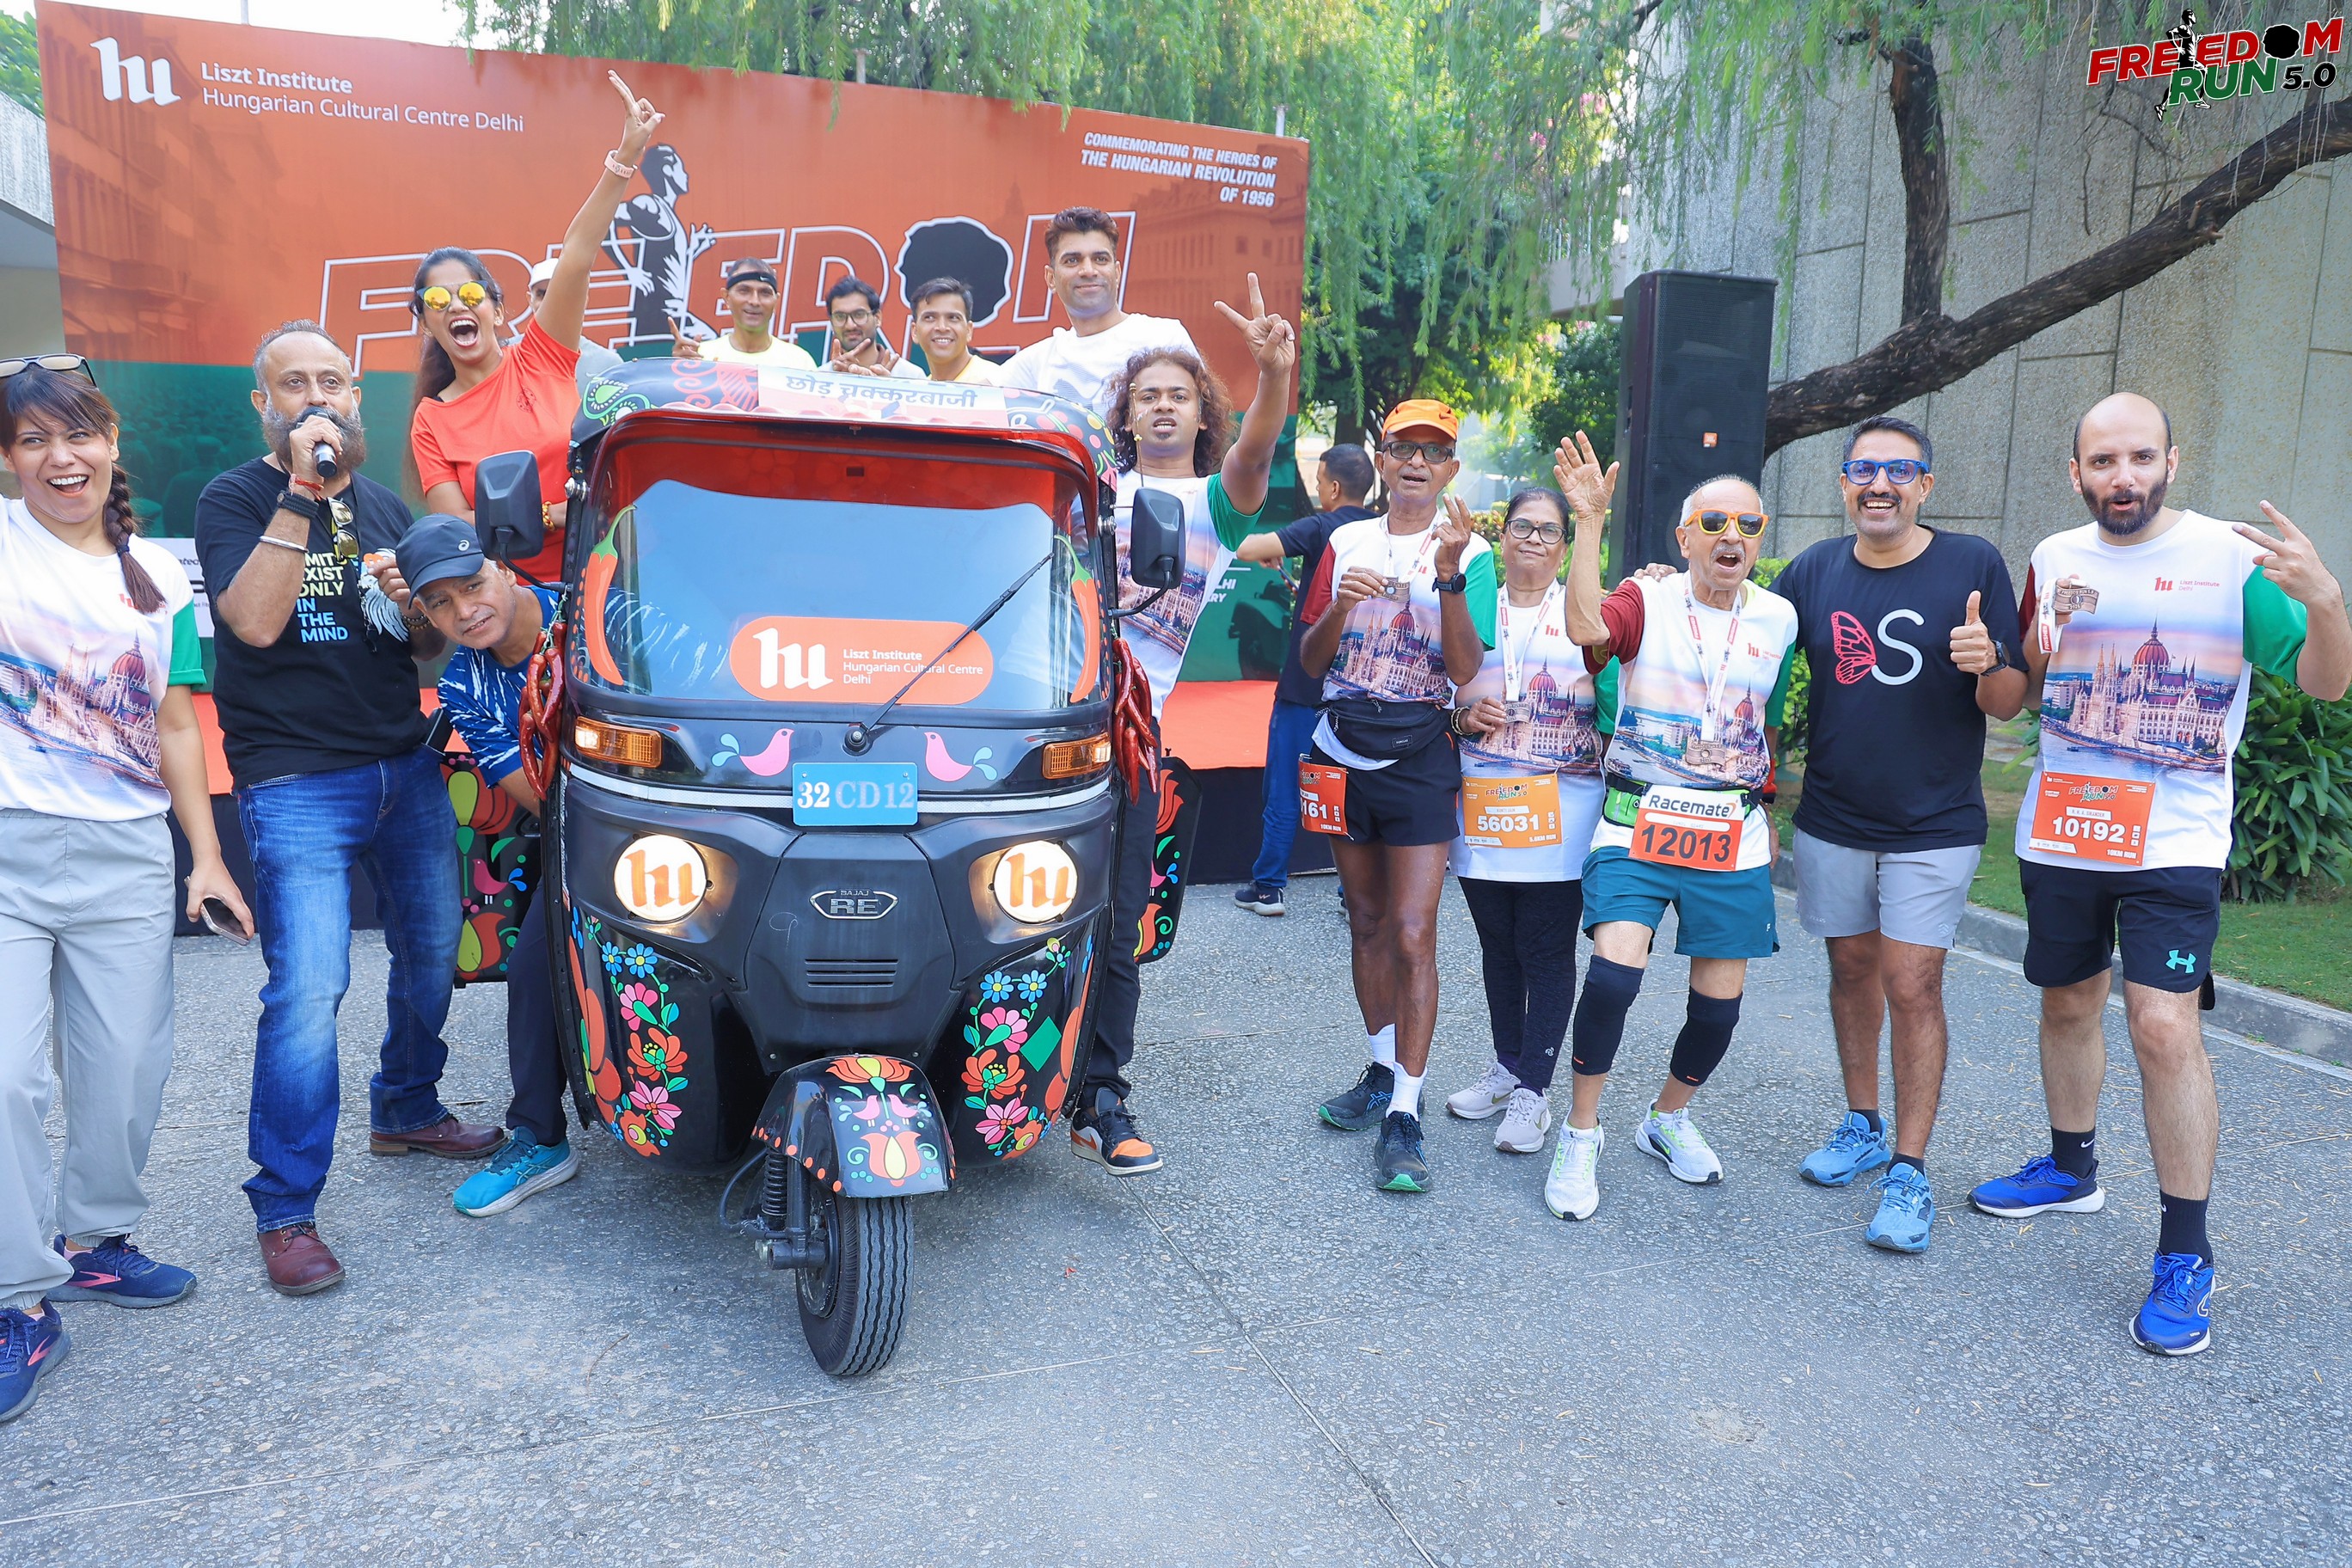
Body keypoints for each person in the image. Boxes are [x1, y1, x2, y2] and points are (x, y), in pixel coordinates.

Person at [1970, 392, 2349, 1356]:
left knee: (2163, 1026)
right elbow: (2024, 693)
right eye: (2103, 461)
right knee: (2066, 1003)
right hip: (2067, 830)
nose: (2123, 476)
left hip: (2176, 838)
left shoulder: (2231, 558)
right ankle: (2070, 1170)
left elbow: (2325, 681)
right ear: (2077, 473)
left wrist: (2325, 601)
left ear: (2170, 463)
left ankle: (2186, 1249)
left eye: (2140, 457)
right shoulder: (2054, 557)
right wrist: (1985, 666)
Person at [196, 321, 496, 1298]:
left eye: (332, 381)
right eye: (295, 384)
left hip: (401, 767)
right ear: (265, 404)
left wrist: (412, 606)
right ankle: (285, 1208)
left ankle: (406, 1105)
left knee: (434, 949)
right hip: (295, 781)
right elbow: (253, 622)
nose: (317, 397)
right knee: (310, 986)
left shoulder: (383, 506)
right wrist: (301, 492)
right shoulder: (235, 498)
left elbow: (421, 650)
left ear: (357, 394)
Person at [0, 360, 252, 1424]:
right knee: (7, 1082)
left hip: (126, 856)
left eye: (79, 435)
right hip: (8, 852)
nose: (61, 459)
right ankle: (19, 1299)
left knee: (128, 1071)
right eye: (32, 440)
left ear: (111, 443)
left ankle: (95, 1242)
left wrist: (206, 857)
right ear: (8, 458)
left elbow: (176, 722)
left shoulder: (156, 573)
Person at [1770, 415, 2026, 1253]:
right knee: (1851, 970)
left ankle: (1910, 1172)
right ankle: (1863, 1126)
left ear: (1925, 485)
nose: (1879, 484)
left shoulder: (1972, 564)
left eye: (1899, 470)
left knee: (1912, 983)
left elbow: (2008, 703)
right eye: (1863, 470)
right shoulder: (1812, 571)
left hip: (1934, 822)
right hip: (1833, 816)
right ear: (1844, 483)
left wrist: (1989, 662)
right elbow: (1744, 648)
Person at [1073, 273, 1295, 1177]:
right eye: (1147, 395)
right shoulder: (1082, 492)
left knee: (1121, 921)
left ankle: (1099, 1095)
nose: (1162, 406)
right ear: (1125, 417)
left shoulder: (1216, 503)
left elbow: (1258, 447)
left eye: (1179, 394)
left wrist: (1272, 376)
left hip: (1143, 745)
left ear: (1203, 416)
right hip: (1051, 738)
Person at [1552, 469, 1797, 1220]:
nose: (1732, 537)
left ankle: (1667, 1118)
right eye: (1714, 522)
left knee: (1718, 1012)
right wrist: (1589, 521)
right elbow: (1586, 629)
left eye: (1748, 525)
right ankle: (1581, 1131)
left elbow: (1766, 721)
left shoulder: (1779, 618)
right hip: (1638, 821)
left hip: (1730, 833)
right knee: (1613, 979)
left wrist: (1767, 805)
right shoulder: (1646, 598)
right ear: (1684, 537)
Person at [1301, 401, 1496, 1194]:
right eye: (1402, 448)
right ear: (1380, 460)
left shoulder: (1472, 550)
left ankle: (1406, 1114)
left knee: (1414, 933)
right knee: (1367, 920)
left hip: (1419, 754)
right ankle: (1381, 1070)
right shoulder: (1345, 540)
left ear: (1452, 468)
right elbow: (1309, 660)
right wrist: (1341, 606)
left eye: (1434, 451)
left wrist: (1447, 575)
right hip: (1340, 750)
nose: (1417, 462)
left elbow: (1464, 668)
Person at [392, 515, 581, 1217]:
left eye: (472, 585)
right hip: (583, 838)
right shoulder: (463, 685)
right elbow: (539, 798)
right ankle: (539, 1137)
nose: (465, 611)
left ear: (502, 567)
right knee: (535, 968)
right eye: (440, 603)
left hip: (689, 818)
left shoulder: (592, 617)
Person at [410, 72, 665, 577]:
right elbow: (456, 526)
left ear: (498, 310)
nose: (456, 306)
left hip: (600, 577)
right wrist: (551, 515)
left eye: (471, 294)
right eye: (437, 300)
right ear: (426, 323)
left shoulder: (542, 357)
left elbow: (576, 255)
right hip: (509, 598)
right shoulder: (431, 420)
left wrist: (626, 155)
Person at [1440, 460, 1620, 1170]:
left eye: (1549, 531)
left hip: (1563, 807)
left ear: (1566, 545)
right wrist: (1462, 718)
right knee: (1497, 946)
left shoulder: (1587, 608)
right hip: (1482, 803)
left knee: (1545, 950)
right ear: (1503, 536)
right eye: (1523, 527)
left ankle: (1535, 1091)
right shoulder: (1475, 604)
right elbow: (1442, 691)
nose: (1535, 541)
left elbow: (1618, 677)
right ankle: (1507, 1065)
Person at [1230, 442, 1377, 915]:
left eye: (1317, 482)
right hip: (1357, 688)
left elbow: (1247, 547)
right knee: (1351, 787)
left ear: (1332, 487)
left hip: (1304, 686)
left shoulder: (1319, 527)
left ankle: (1269, 886)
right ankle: (1354, 894)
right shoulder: (1381, 532)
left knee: (1285, 786)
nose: (1317, 490)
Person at [998, 207, 1198, 414]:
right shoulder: (1038, 362)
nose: (1088, 271)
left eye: (1100, 259)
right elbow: (978, 399)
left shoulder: (1164, 337)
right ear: (1051, 279)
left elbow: (1203, 420)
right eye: (1072, 260)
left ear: (1117, 273)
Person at [677, 257, 818, 370]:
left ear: (776, 301)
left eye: (765, 293)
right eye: (744, 291)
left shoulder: (800, 363)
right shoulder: (700, 357)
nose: (755, 301)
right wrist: (677, 369)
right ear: (726, 297)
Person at [523, 259, 622, 395]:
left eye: (562, 294)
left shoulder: (608, 366)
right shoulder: (505, 356)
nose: (550, 303)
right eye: (543, 295)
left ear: (582, 300)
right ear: (530, 300)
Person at [823, 278, 924, 378]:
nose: (850, 325)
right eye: (840, 317)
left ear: (877, 318)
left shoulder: (912, 376)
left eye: (859, 315)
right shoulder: (820, 378)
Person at [911, 278, 996, 383]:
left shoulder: (995, 381)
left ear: (969, 330)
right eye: (930, 318)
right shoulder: (920, 389)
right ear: (914, 331)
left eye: (953, 318)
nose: (942, 327)